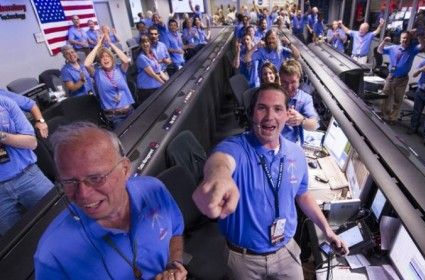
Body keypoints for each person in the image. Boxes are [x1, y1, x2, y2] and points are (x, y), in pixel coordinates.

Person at [192, 83, 348, 279]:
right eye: (262, 108)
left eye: (277, 109)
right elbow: (221, 162)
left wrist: (327, 231)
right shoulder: (236, 147)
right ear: (251, 113)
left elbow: (302, 194)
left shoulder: (297, 153)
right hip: (244, 260)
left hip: (286, 252)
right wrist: (219, 176)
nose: (269, 116)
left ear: (287, 115)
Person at [34, 122, 187, 279]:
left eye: (96, 178)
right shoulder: (52, 253)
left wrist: (173, 264)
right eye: (70, 182)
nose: (83, 194)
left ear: (125, 169)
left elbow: (175, 230)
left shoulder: (154, 190)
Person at [0, 95, 54, 235]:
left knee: (58, 216)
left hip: (29, 177)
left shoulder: (5, 102)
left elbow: (31, 142)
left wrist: (2, 136)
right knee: (17, 243)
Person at [84, 35, 135, 128]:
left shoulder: (119, 69)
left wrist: (111, 43)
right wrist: (97, 46)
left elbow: (126, 60)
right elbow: (87, 64)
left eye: (108, 56)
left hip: (130, 111)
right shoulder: (97, 73)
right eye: (102, 57)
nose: (105, 58)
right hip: (114, 116)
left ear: (112, 59)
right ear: (99, 61)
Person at [378, 32, 425, 124]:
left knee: (398, 99)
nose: (405, 40)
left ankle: (392, 118)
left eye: (407, 38)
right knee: (385, 96)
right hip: (391, 76)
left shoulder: (413, 49)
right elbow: (380, 51)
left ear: (410, 40)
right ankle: (383, 114)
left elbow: (423, 45)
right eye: (403, 38)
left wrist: (419, 34)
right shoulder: (393, 48)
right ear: (400, 39)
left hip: (402, 79)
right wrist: (384, 42)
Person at [280, 59, 319, 144]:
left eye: (293, 82)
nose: (289, 87)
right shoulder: (273, 95)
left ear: (299, 80)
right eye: (285, 82)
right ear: (280, 80)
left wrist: (302, 120)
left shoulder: (305, 99)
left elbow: (314, 125)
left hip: (292, 146)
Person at [136, 36, 169, 103]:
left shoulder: (152, 54)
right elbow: (153, 74)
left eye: (147, 42)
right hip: (148, 89)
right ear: (140, 45)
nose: (145, 44)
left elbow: (159, 70)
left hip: (156, 86)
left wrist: (168, 81)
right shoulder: (141, 58)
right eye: (143, 42)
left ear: (150, 42)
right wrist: (164, 84)